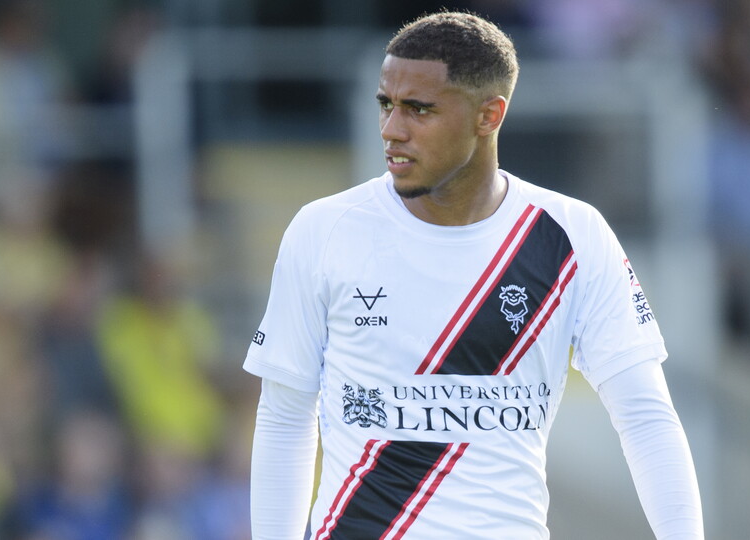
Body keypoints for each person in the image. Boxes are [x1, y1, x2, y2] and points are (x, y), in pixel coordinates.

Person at [244, 11, 704, 540]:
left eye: (419, 109)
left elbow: (645, 418)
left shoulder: (571, 235)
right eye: (386, 105)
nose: (392, 129)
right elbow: (284, 418)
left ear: (490, 115)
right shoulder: (324, 230)